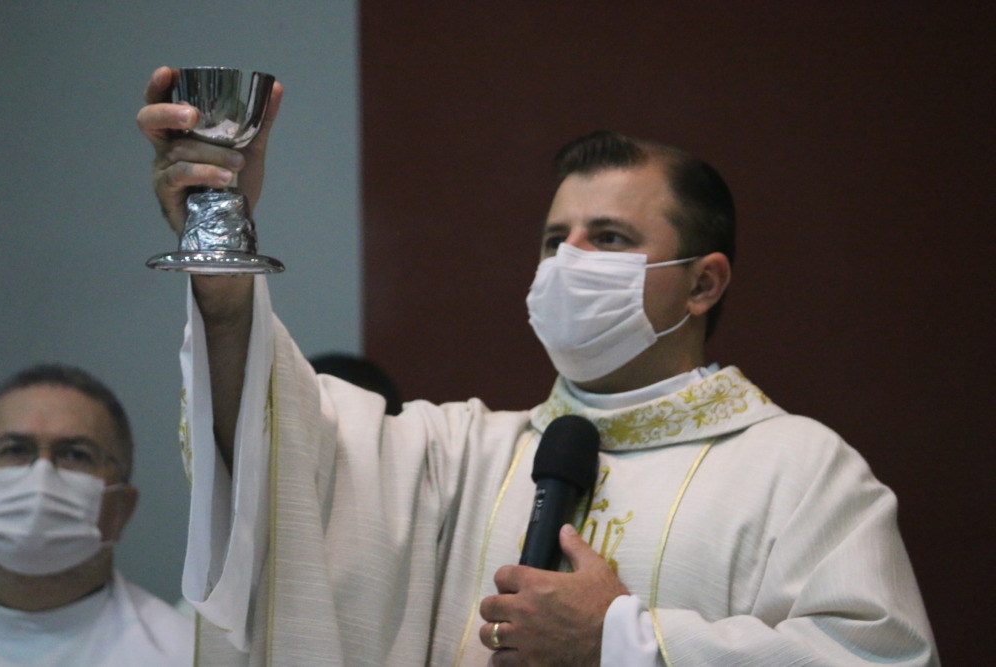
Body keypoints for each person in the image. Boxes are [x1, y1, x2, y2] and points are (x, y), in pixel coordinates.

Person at [138, 65, 938, 665]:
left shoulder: (798, 470)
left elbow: (881, 656)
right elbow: (275, 449)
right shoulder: (466, 457)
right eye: (556, 240)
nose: (568, 261)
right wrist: (220, 232)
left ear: (703, 283)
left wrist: (623, 641)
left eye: (609, 238)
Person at [0, 364, 193, 666]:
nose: (41, 477)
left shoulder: (188, 655)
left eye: (76, 454)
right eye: (14, 450)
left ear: (121, 508)